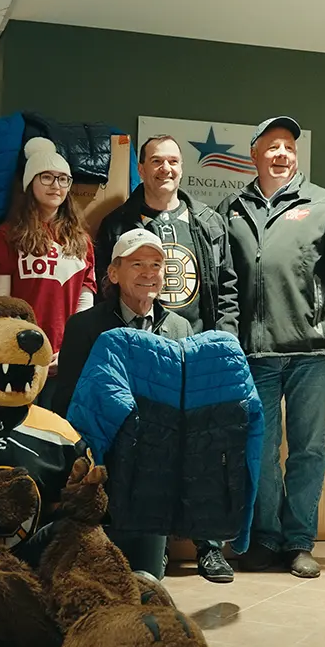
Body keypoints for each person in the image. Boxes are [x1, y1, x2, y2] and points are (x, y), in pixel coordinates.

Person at [219, 116, 325, 579]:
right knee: (260, 452)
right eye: (273, 146)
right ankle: (264, 539)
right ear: (254, 154)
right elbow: (225, 282)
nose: (282, 154)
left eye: (289, 148)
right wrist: (226, 339)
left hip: (312, 353)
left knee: (308, 451)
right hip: (253, 355)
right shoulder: (232, 208)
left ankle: (299, 541)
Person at [95, 134, 241, 583]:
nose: (166, 169)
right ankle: (151, 547)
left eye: (173, 161)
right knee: (148, 449)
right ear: (141, 168)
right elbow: (104, 284)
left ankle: (209, 546)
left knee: (203, 450)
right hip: (140, 351)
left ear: (183, 167)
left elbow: (229, 288)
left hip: (195, 350)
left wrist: (223, 342)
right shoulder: (118, 222)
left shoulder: (208, 221)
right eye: (156, 161)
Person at [51, 228, 192, 579]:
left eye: (157, 264)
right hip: (101, 459)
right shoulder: (85, 326)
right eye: (138, 263)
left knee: (145, 579)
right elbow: (68, 398)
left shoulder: (180, 327)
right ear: (113, 273)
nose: (149, 272)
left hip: (153, 467)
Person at [0, 137, 96, 409]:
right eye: (47, 177)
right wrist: (20, 345)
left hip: (64, 356)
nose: (56, 186)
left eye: (63, 179)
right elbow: (2, 303)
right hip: (20, 353)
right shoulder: (7, 235)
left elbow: (86, 300)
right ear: (29, 183)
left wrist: (71, 349)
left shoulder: (81, 240)